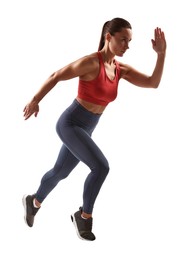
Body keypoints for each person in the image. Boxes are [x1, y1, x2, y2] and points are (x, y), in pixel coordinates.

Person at [22, 17, 166, 241]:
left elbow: (152, 82)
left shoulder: (120, 69)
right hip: (70, 123)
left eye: (129, 42)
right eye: (123, 40)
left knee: (61, 172)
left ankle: (33, 202)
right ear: (108, 37)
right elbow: (57, 75)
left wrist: (161, 54)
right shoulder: (91, 63)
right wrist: (35, 100)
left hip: (87, 128)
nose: (127, 46)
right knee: (101, 167)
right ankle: (84, 216)